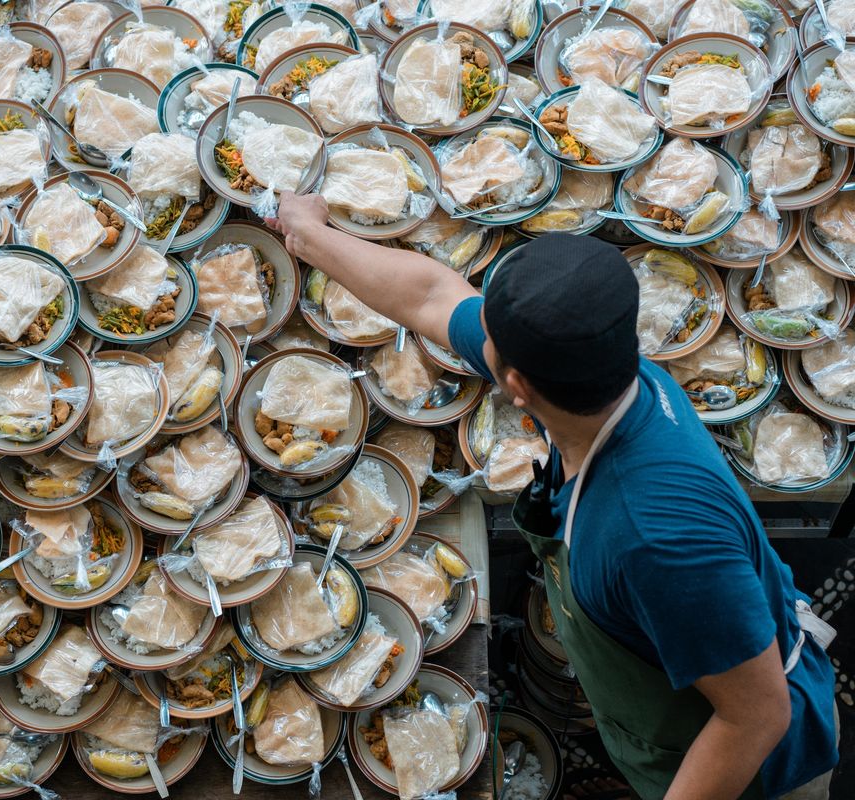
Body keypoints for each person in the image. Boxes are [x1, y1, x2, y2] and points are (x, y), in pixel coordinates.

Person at [268, 192, 840, 800]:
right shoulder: (605, 379)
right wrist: (308, 236)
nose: (474, 328)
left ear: (514, 384)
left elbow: (753, 718)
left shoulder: (655, 540)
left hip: (754, 769)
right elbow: (431, 296)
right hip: (669, 699)